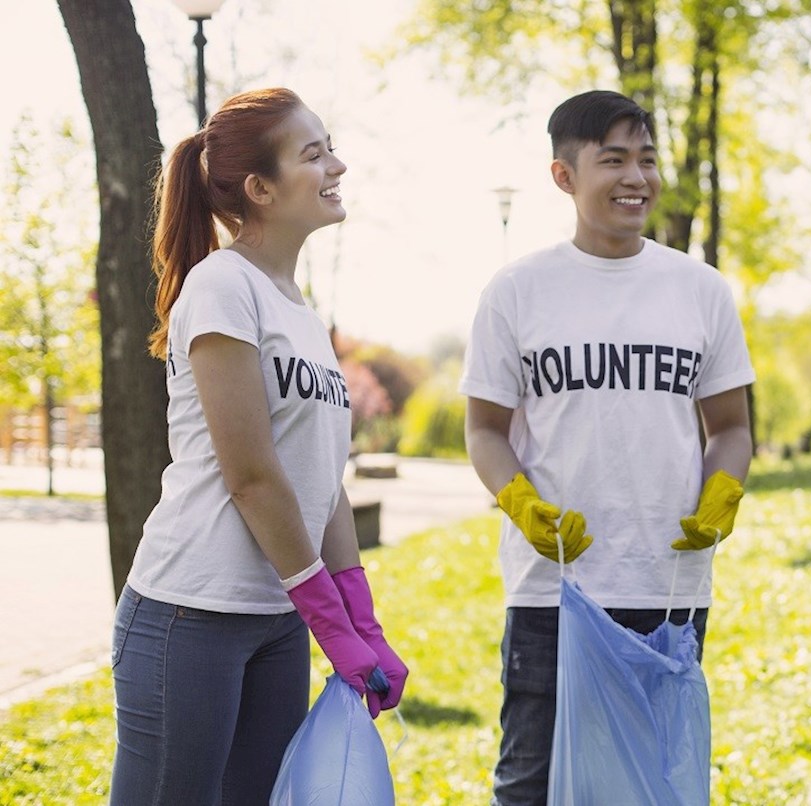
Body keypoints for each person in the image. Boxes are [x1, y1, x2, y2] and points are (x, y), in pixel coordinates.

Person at [108, 88, 408, 804]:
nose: (337, 165)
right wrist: (331, 622)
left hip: (277, 620)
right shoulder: (220, 287)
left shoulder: (299, 310)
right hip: (190, 616)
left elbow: (319, 478)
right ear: (260, 189)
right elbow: (251, 475)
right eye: (315, 153)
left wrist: (360, 617)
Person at [459, 89, 754, 805]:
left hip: (668, 584)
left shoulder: (700, 289)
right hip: (553, 591)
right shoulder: (516, 291)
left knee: (650, 783)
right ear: (564, 176)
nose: (637, 179)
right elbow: (485, 429)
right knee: (530, 781)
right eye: (614, 160)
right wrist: (521, 503)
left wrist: (724, 489)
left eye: (647, 161)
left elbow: (732, 426)